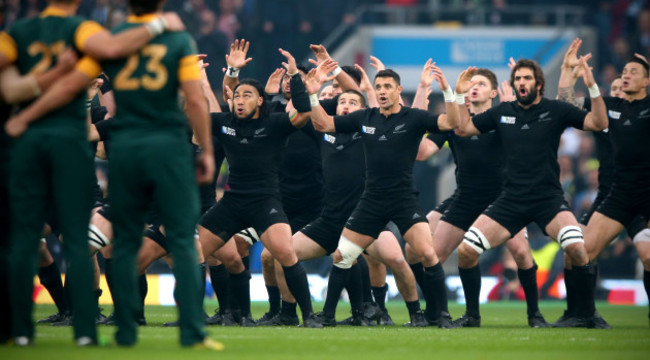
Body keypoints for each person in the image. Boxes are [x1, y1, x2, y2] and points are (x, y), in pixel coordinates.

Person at [5, 0, 223, 349]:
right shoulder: (178, 40)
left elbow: (68, 84)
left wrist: (27, 116)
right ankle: (193, 331)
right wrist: (207, 152)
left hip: (128, 147)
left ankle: (124, 328)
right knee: (182, 239)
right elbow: (195, 100)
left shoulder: (111, 39)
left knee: (120, 244)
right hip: (168, 146)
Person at [453, 57, 609, 329]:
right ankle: (472, 316)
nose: (521, 83)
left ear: (538, 83)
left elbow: (598, 122)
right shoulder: (503, 111)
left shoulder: (556, 109)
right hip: (510, 199)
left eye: (526, 79)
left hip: (548, 198)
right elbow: (464, 129)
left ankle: (587, 314)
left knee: (577, 250)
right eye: (517, 79)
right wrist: (456, 94)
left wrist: (592, 86)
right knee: (466, 251)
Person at [308, 66, 460, 328]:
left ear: (399, 90)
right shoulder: (364, 117)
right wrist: (311, 96)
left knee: (426, 252)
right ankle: (328, 316)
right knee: (341, 256)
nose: (382, 91)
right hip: (372, 200)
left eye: (387, 87)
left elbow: (451, 123)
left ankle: (440, 316)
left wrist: (448, 91)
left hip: (403, 199)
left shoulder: (413, 118)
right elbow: (323, 123)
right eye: (378, 87)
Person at [410, 64, 549, 328]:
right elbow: (423, 152)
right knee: (432, 256)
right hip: (465, 197)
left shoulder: (504, 118)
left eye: (481, 84)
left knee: (521, 253)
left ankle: (535, 314)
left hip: (503, 198)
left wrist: (517, 111)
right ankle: (448, 314)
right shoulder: (452, 120)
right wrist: (422, 95)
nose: (475, 87)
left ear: (494, 93)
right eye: (470, 83)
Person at [198, 48, 321, 328]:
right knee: (193, 252)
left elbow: (303, 111)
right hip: (231, 202)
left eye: (247, 96)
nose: (240, 100)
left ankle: (309, 316)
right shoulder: (224, 123)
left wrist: (293, 75)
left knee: (285, 254)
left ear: (261, 101)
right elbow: (198, 109)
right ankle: (220, 314)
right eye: (237, 96)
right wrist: (200, 78)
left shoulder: (275, 123)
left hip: (265, 201)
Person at [557, 43, 650, 326]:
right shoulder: (609, 108)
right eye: (623, 71)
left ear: (647, 81)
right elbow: (565, 102)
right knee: (581, 250)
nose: (626, 75)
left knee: (648, 256)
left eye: (634, 71)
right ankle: (584, 314)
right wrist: (567, 70)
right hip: (618, 194)